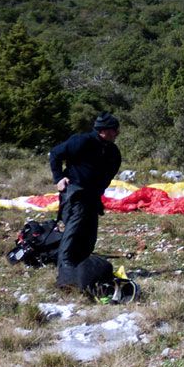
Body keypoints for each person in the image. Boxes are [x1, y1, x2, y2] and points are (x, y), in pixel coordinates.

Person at [49, 112, 122, 291]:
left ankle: (81, 268)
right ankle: (66, 273)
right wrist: (59, 178)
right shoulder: (81, 142)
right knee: (74, 229)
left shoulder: (112, 152)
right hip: (76, 191)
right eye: (114, 131)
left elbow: (109, 173)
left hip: (92, 195)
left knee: (89, 233)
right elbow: (55, 154)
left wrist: (100, 190)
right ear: (103, 131)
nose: (117, 134)